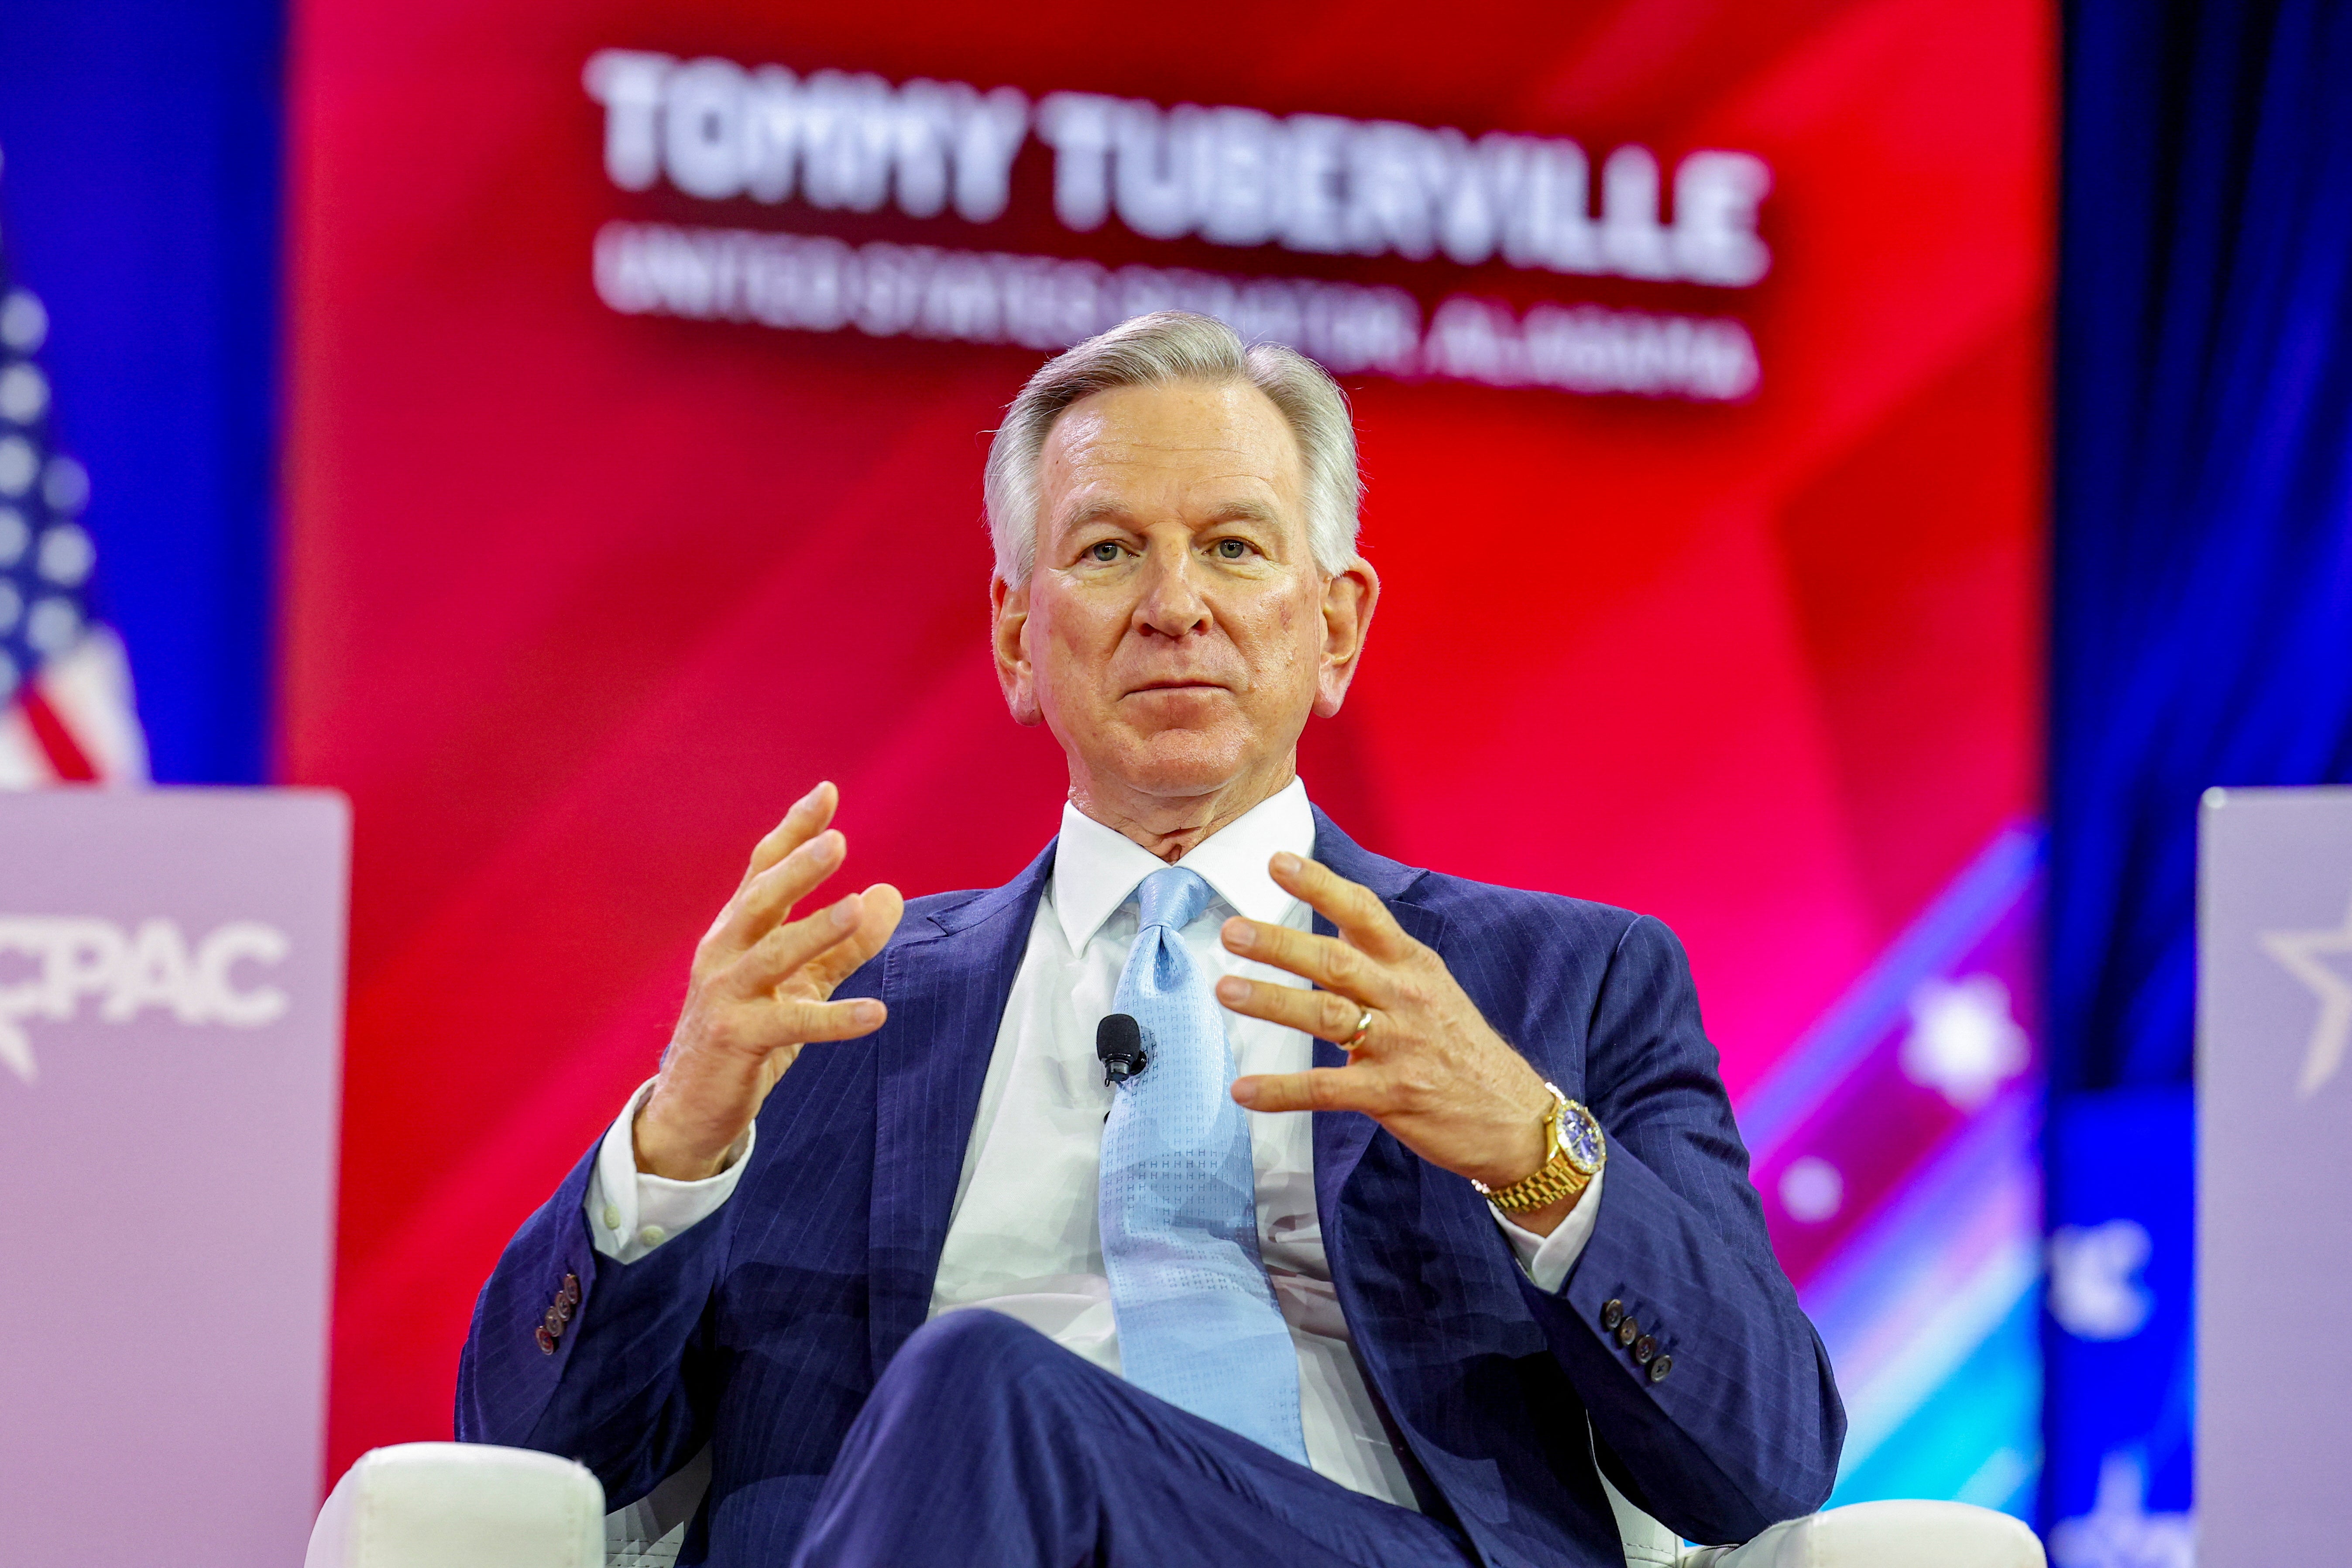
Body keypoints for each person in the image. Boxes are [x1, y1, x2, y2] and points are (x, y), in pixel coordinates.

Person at [457, 311, 1843, 1568]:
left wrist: (1532, 1147)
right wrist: (673, 1151)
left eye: (1235, 546)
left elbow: (1762, 1459)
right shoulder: (834, 1014)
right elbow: (529, 1461)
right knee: (978, 1392)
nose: (1175, 605)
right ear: (1017, 636)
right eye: (1110, 549)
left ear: (1337, 624)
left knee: (983, 1381)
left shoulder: (1563, 984)